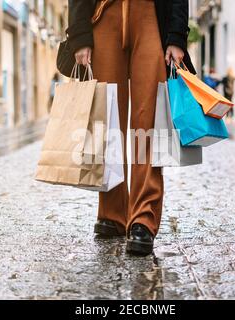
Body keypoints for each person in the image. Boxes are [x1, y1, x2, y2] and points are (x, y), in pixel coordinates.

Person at [68, 0, 195, 255]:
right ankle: (112, 213)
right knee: (108, 119)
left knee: (146, 122)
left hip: (149, 15)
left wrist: (177, 35)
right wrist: (79, 34)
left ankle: (143, 217)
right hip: (104, 14)